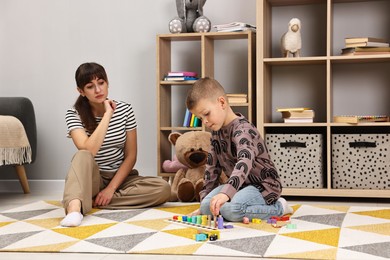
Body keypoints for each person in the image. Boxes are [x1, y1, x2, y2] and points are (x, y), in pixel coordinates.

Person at [61, 62, 171, 227]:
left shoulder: (125, 110)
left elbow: (131, 156)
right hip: (92, 179)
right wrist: (107, 115)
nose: (98, 90)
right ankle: (75, 210)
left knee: (163, 188)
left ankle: (89, 200)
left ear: (107, 83)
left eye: (101, 83)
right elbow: (88, 150)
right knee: (82, 154)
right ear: (81, 91)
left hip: (121, 179)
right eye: (90, 86)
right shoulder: (73, 114)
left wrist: (111, 188)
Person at [186, 77, 293, 222]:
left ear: (222, 102)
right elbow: (212, 168)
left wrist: (226, 194)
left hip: (263, 186)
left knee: (232, 209)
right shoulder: (216, 133)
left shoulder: (243, 130)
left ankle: (279, 207)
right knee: (206, 207)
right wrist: (204, 205)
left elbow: (245, 160)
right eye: (200, 117)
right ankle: (241, 209)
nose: (204, 121)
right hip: (239, 185)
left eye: (206, 114)